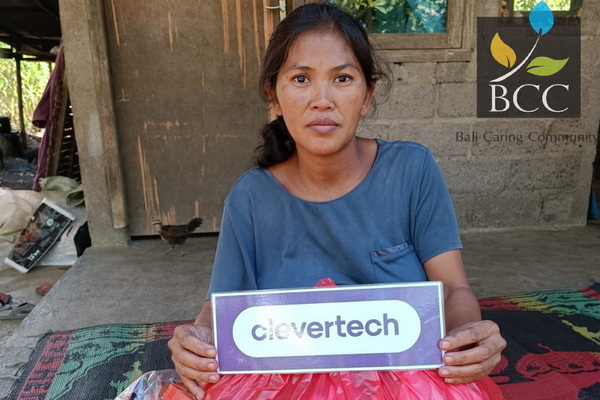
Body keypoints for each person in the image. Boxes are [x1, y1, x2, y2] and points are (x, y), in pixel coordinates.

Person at [169, 3, 506, 399]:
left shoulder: (411, 170)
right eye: (301, 79)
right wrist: (196, 340)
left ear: (367, 96)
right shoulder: (251, 198)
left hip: (409, 380)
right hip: (284, 386)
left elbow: (452, 289)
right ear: (274, 97)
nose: (322, 100)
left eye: (342, 78)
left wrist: (468, 337)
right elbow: (218, 310)